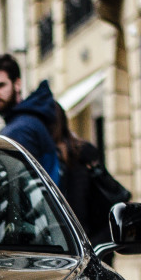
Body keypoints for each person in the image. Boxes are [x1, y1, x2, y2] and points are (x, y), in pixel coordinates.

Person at [0, 54, 60, 183]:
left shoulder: (19, 130)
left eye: (0, 85)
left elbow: (21, 187)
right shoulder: (30, 119)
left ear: (17, 84)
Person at [51, 101, 118, 249]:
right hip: (94, 243)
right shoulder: (78, 151)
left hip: (88, 245)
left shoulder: (77, 155)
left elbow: (80, 206)